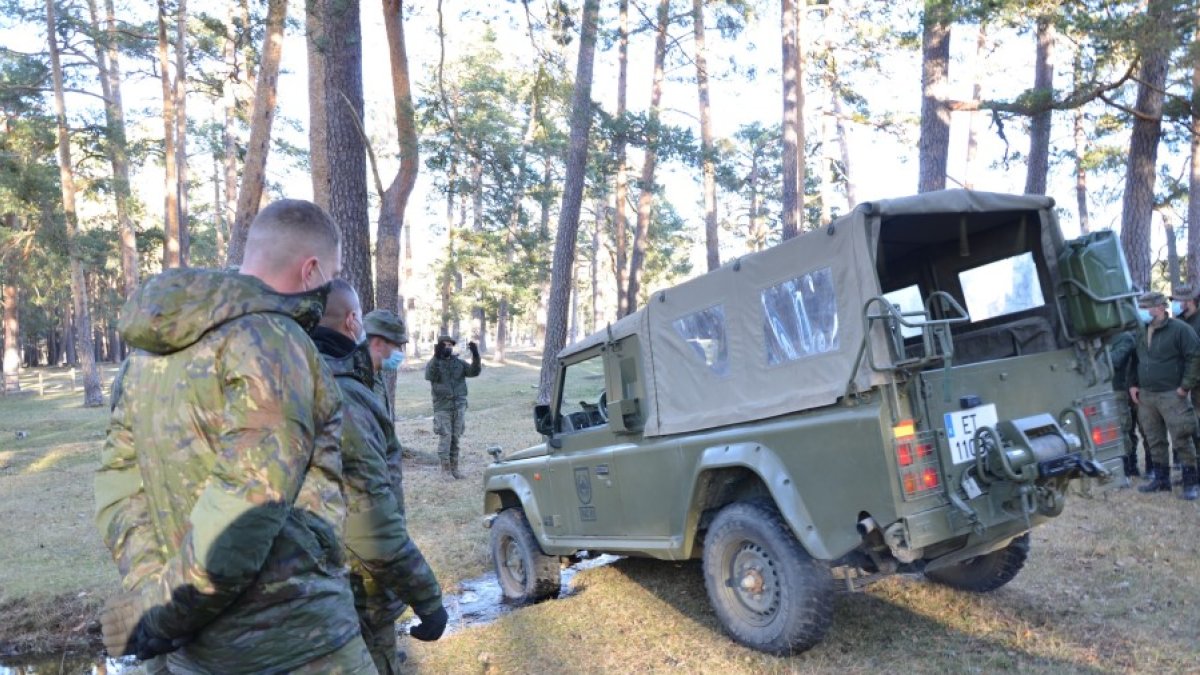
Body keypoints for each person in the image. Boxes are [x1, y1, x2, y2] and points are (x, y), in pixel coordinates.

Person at [95, 199, 376, 672]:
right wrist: (163, 611)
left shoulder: (146, 357)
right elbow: (246, 505)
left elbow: (120, 484)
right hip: (296, 643)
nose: (330, 284)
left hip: (194, 652)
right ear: (310, 271)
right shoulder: (274, 342)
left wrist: (155, 591)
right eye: (332, 271)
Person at [311, 285, 447, 674]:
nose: (399, 355)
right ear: (355, 324)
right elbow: (369, 516)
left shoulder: (324, 375)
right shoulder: (343, 391)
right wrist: (426, 597)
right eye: (395, 346)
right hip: (357, 574)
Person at [1129, 291, 1200, 500]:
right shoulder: (1141, 330)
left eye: (1145, 307)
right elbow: (1136, 358)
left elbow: (1195, 356)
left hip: (1172, 394)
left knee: (1182, 437)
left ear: (1159, 308)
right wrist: (1133, 384)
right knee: (1154, 439)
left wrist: (1185, 386)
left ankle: (1190, 482)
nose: (1141, 312)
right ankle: (1161, 480)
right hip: (1147, 395)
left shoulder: (1180, 329)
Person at [425, 334, 481, 479]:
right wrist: (436, 357)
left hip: (459, 405)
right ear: (439, 347)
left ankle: (454, 468)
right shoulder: (435, 363)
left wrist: (476, 355)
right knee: (446, 437)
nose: (448, 347)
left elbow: (474, 372)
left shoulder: (459, 363)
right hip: (443, 406)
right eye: (445, 345)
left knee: (456, 438)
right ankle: (445, 469)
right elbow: (429, 375)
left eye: (450, 345)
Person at [1109, 329, 1152, 484]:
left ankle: (1148, 467)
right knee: (1124, 430)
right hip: (1118, 389)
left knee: (1144, 429)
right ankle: (1129, 466)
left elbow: (1115, 361)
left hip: (1129, 389)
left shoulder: (1124, 338)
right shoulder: (1105, 340)